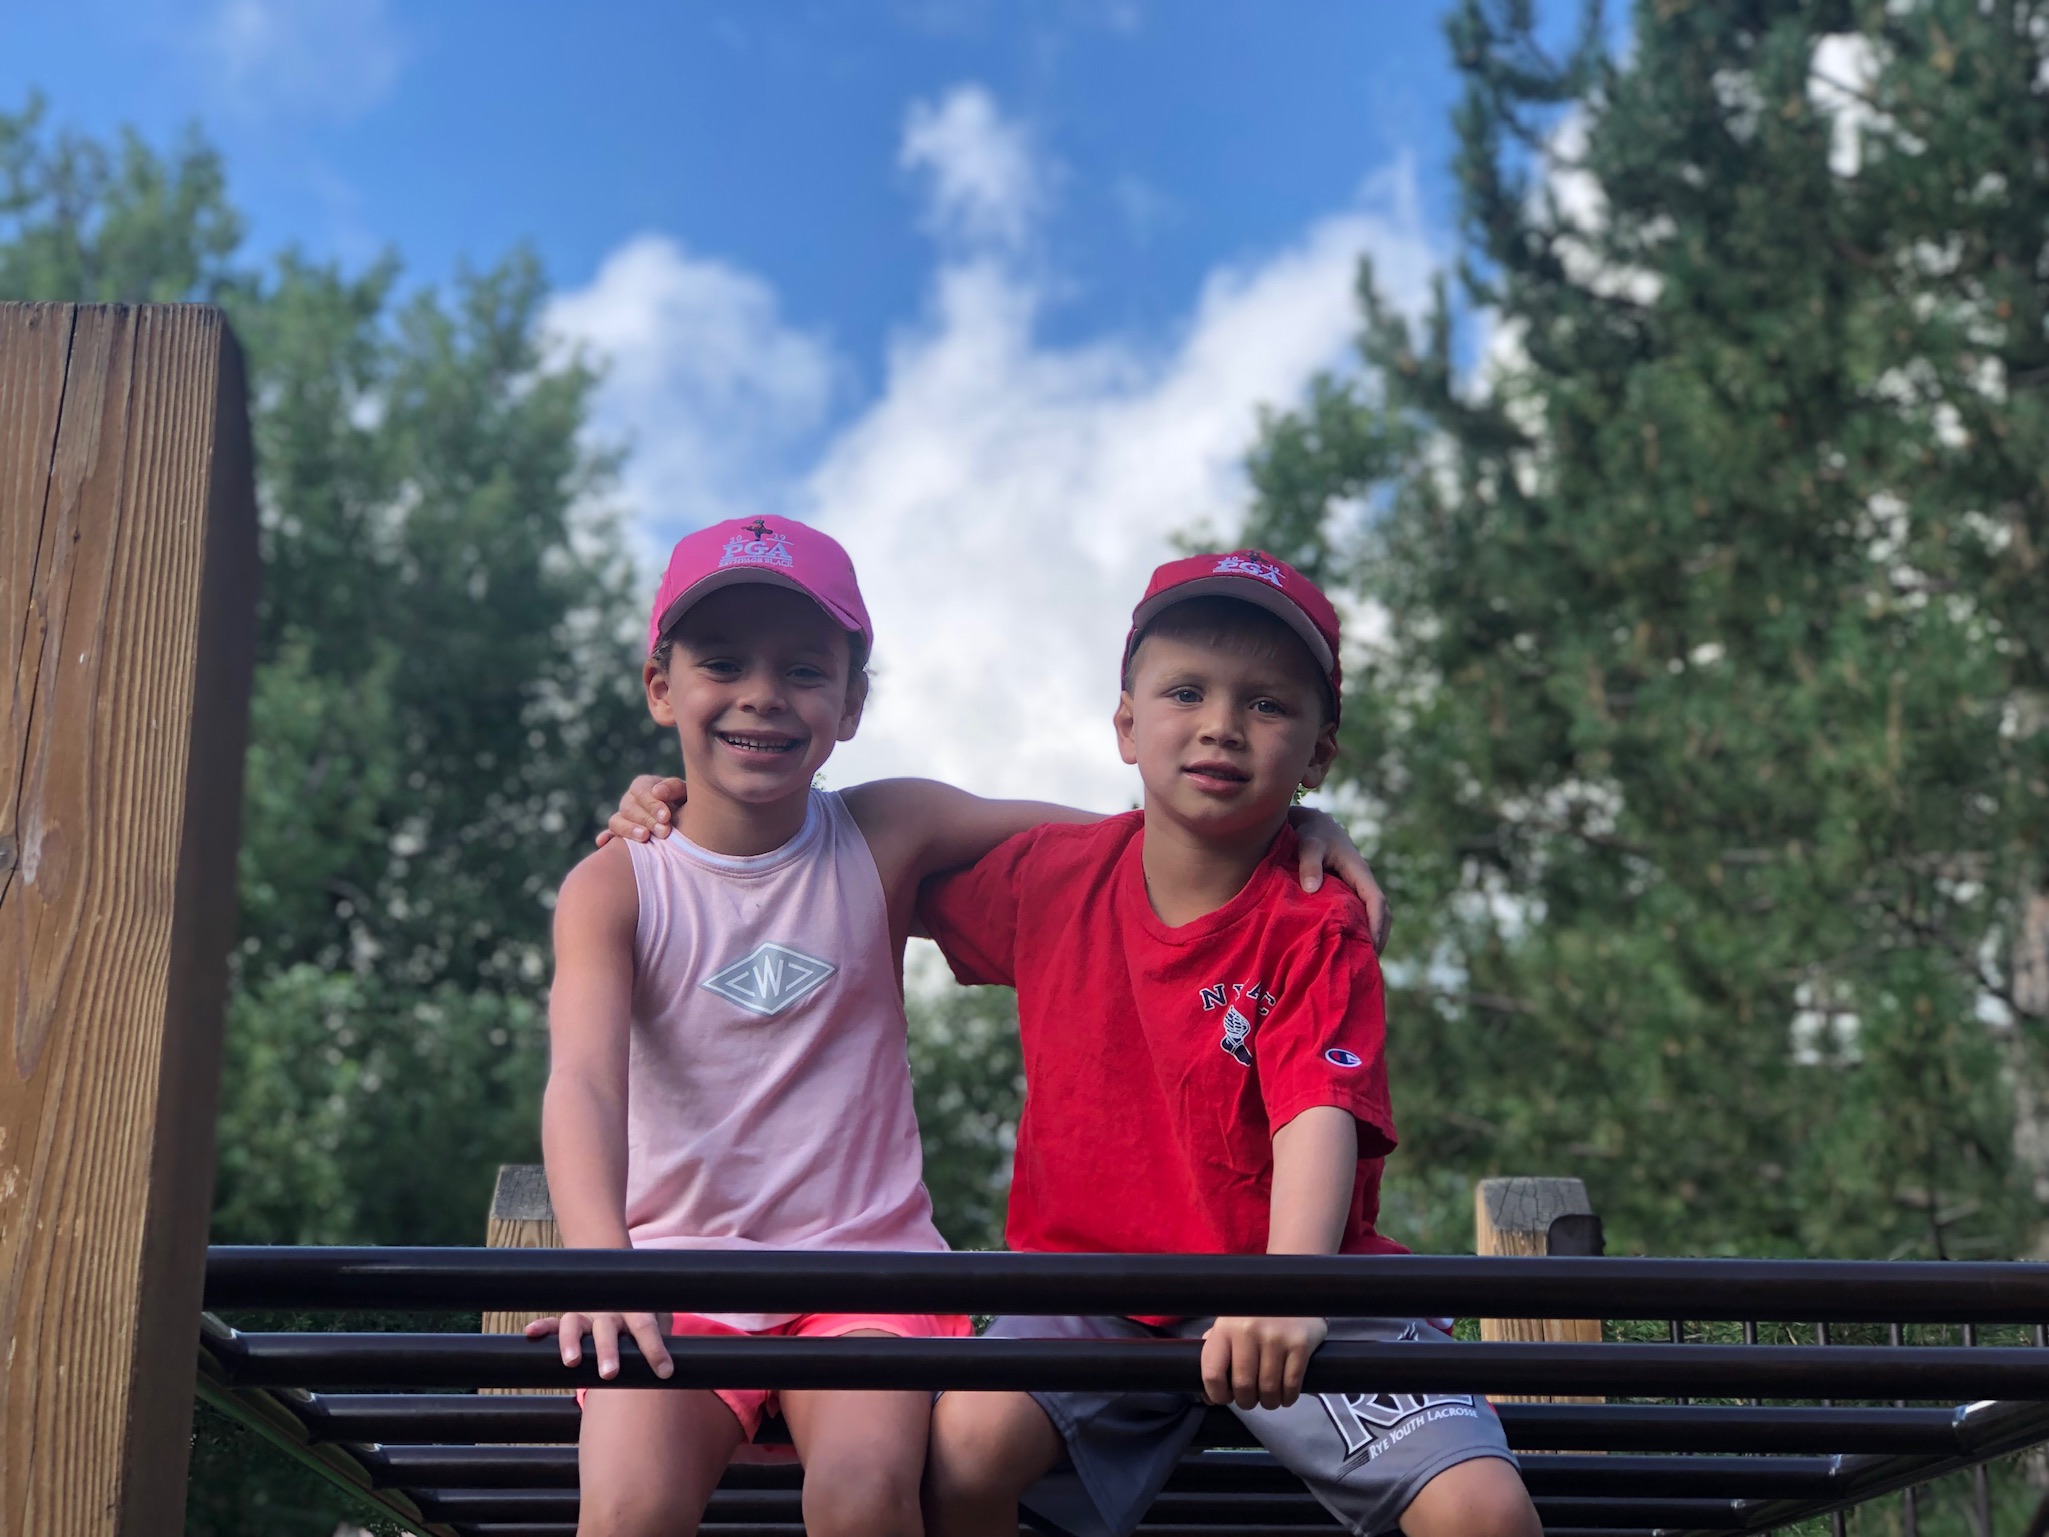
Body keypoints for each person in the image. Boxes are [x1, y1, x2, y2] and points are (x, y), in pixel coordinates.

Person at [538, 517, 1385, 1537]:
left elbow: (1135, 836)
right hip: (673, 1267)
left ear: (852, 702)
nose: (763, 692)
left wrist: (1288, 821)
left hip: (862, 1268)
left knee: (863, 1499)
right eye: (722, 662)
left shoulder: (887, 830)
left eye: (804, 669)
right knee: (627, 1508)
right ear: (662, 686)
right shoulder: (614, 886)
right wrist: (601, 1256)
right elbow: (584, 1082)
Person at [909, 552, 1543, 1537]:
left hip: (1294, 1275)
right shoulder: (1052, 880)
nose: (1219, 724)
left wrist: (1287, 1289)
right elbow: (848, 867)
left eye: (1267, 705)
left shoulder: (1310, 915)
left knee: (1483, 1510)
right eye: (1185, 691)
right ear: (1125, 725)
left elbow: (1315, 1113)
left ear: (1319, 752)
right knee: (962, 1454)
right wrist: (694, 812)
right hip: (1095, 1285)